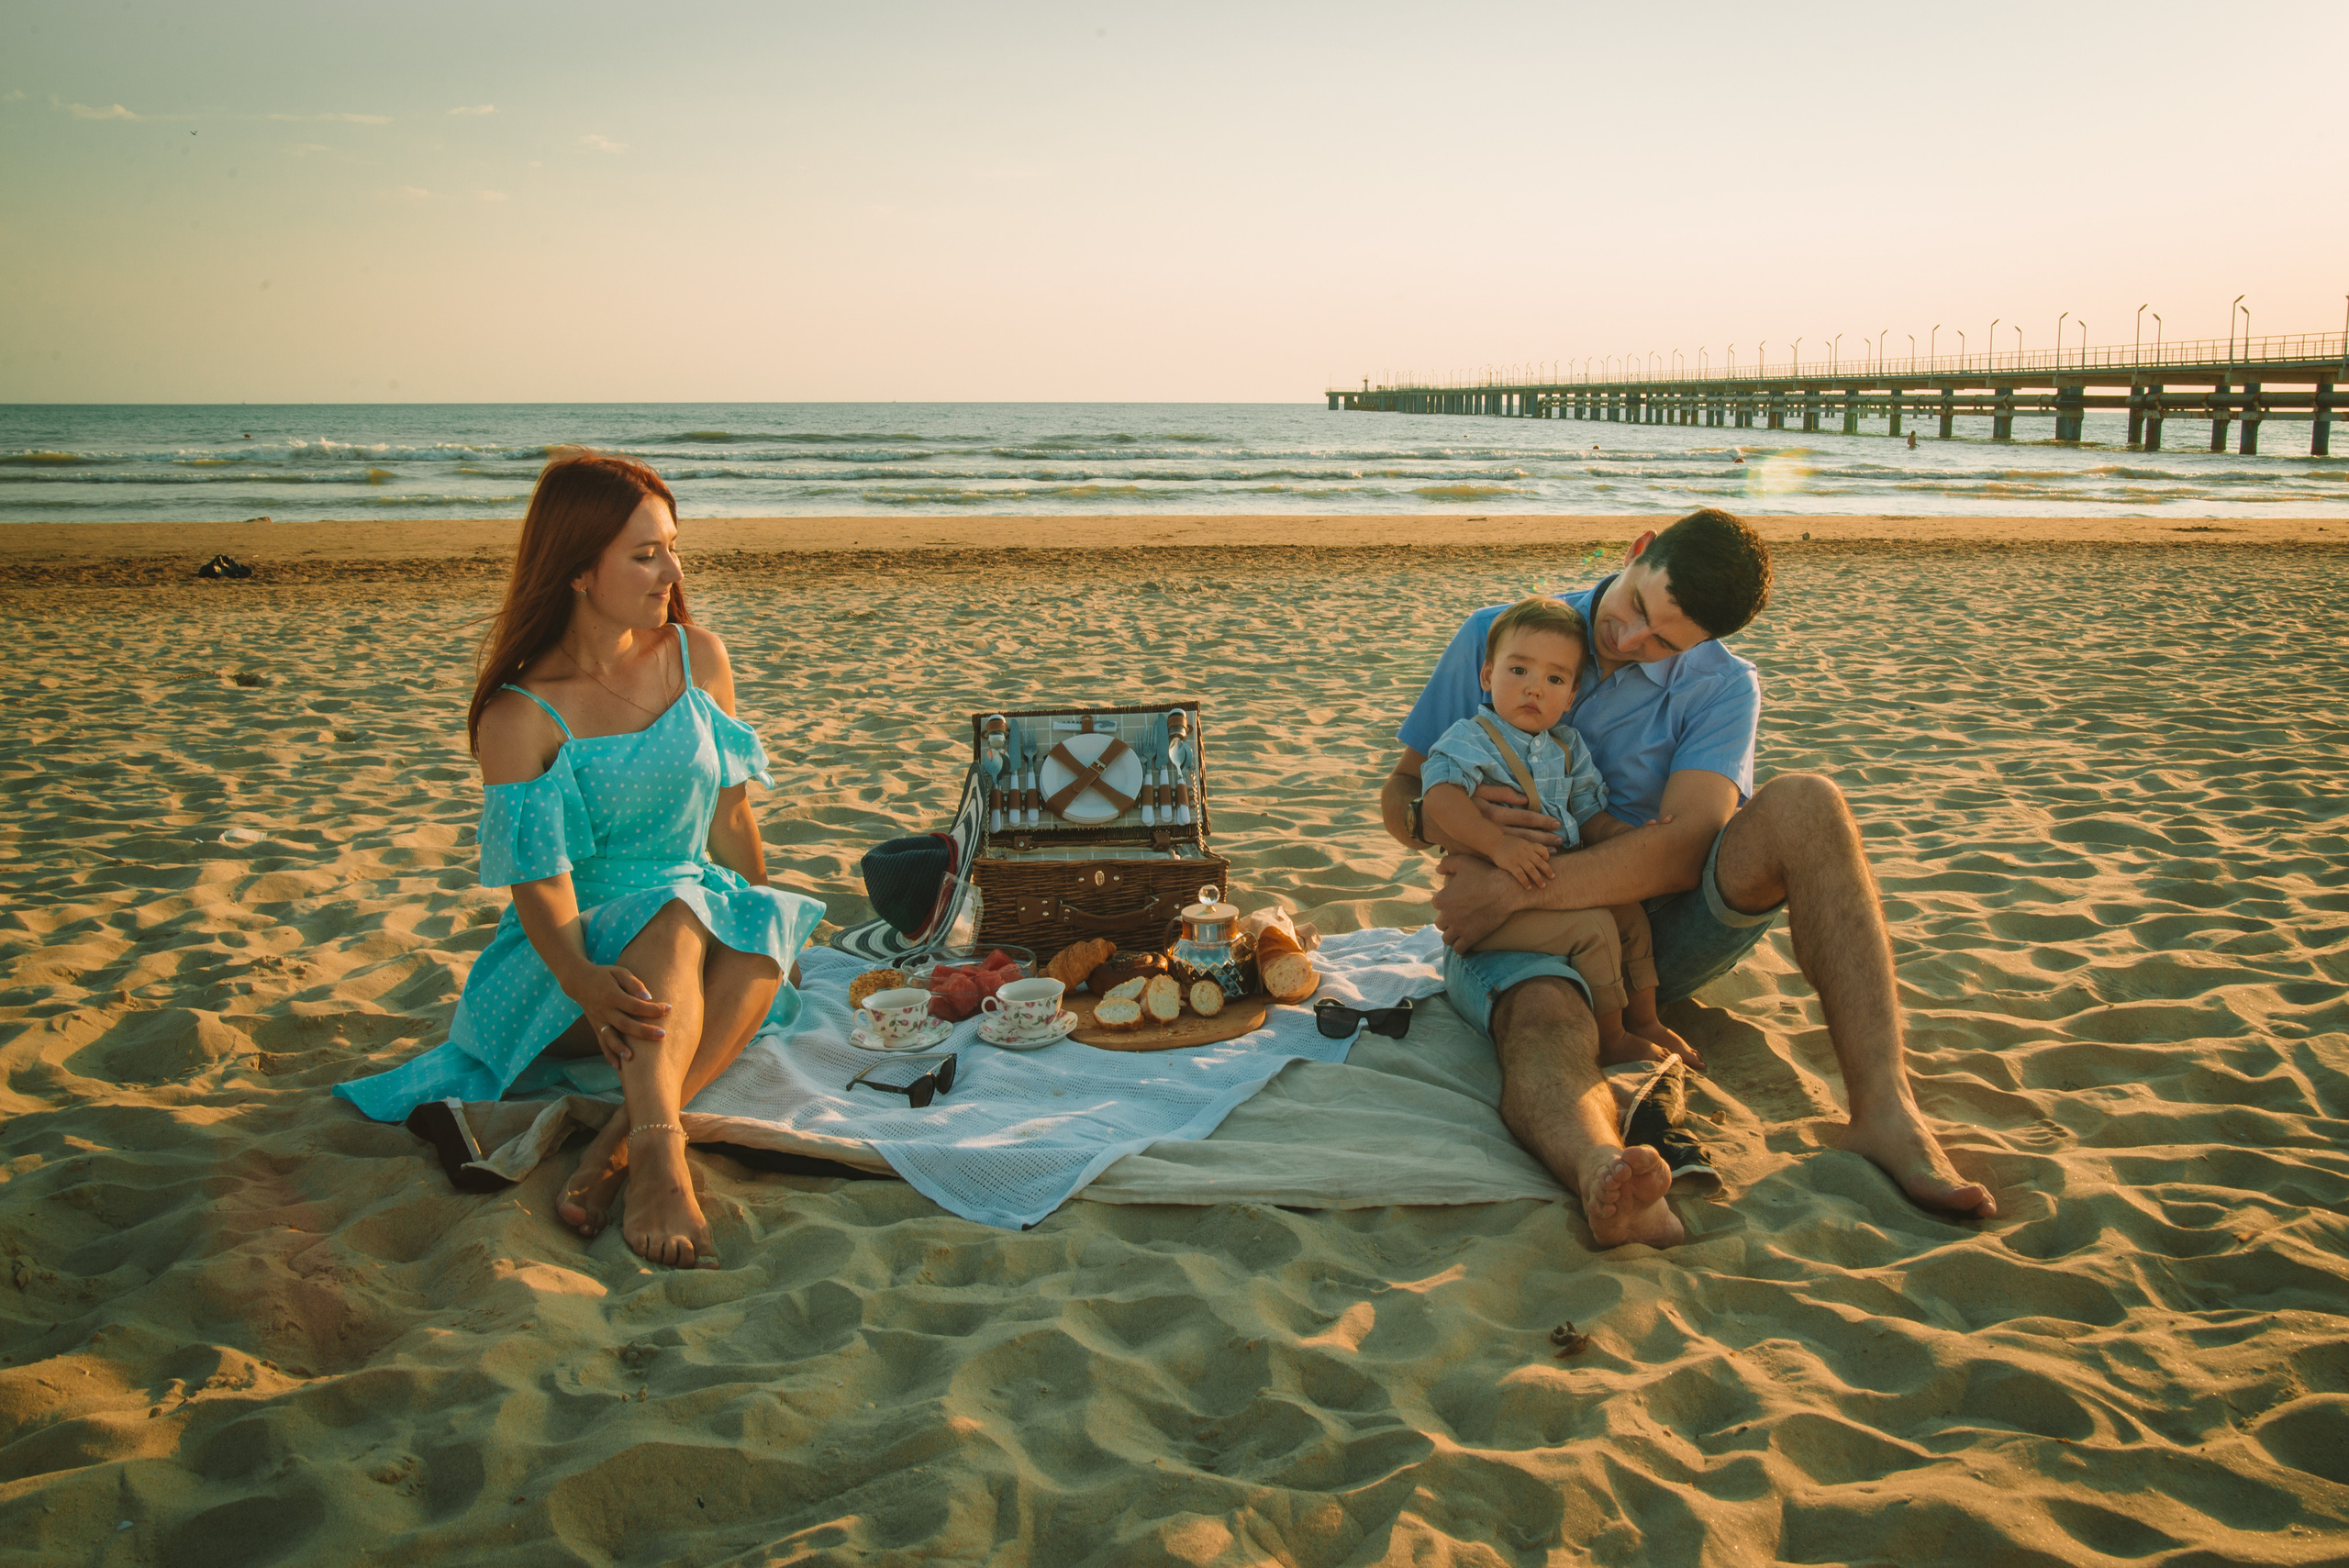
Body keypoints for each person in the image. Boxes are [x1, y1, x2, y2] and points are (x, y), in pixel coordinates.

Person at [1380, 506, 1994, 1249]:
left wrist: (1519, 880)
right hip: (1522, 937)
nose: (1631, 639)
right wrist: (1451, 824)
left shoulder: (1724, 687)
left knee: (1810, 803)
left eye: (1665, 641)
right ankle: (1605, 1171)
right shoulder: (1501, 632)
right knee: (1546, 1013)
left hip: (1655, 931)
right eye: (1638, 606)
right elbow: (1401, 792)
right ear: (1638, 550)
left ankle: (1886, 1112)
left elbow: (1682, 851)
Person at [333, 452, 822, 1269]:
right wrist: (582, 979)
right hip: (563, 967)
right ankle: (664, 1159)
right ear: (576, 570)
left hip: (691, 926)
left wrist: (764, 932)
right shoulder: (521, 714)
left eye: (672, 546)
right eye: (644, 553)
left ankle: (619, 1147)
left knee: (739, 920)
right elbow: (542, 889)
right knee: (674, 916)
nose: (672, 569)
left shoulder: (698, 657)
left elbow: (731, 814)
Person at [1417, 595, 1695, 1073]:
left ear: (1570, 697)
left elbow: (1589, 814)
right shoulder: (1471, 738)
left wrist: (1627, 838)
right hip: (1489, 904)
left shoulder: (1568, 747)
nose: (1534, 690)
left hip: (1549, 882)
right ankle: (1611, 1038)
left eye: (1555, 679)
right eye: (1518, 671)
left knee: (1629, 914)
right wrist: (1496, 844)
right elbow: (1439, 799)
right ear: (1488, 676)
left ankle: (1644, 1020)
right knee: (1596, 930)